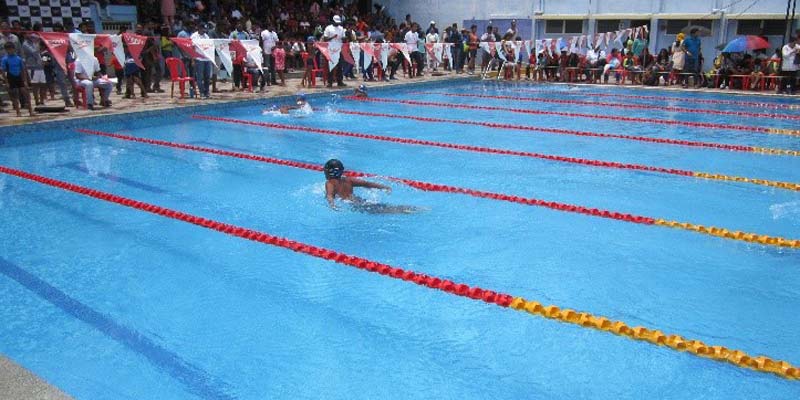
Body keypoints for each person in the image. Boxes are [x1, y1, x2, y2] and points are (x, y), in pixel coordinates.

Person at [323, 159, 418, 214]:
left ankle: (406, 211)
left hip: (352, 205)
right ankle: (409, 208)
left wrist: (332, 205)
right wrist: (384, 187)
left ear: (329, 172)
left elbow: (329, 195)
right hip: (358, 200)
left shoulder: (329, 183)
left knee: (381, 211)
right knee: (380, 207)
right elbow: (367, 184)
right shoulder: (349, 180)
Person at [1, 42, 34, 116]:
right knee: (14, 95)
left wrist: (25, 80)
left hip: (19, 76)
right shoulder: (5, 59)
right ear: (6, 50)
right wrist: (6, 82)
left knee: (25, 93)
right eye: (8, 49)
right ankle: (18, 112)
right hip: (11, 77)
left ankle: (30, 111)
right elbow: (3, 71)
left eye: (11, 49)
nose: (10, 51)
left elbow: (23, 69)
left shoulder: (18, 58)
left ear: (14, 49)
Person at [323, 15, 346, 87]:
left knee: (340, 66)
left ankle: (340, 81)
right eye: (336, 22)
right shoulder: (328, 28)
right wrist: (333, 37)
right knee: (331, 66)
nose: (338, 24)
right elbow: (325, 39)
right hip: (331, 50)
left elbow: (344, 38)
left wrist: (344, 38)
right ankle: (330, 82)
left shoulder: (341, 28)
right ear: (333, 21)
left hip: (339, 49)